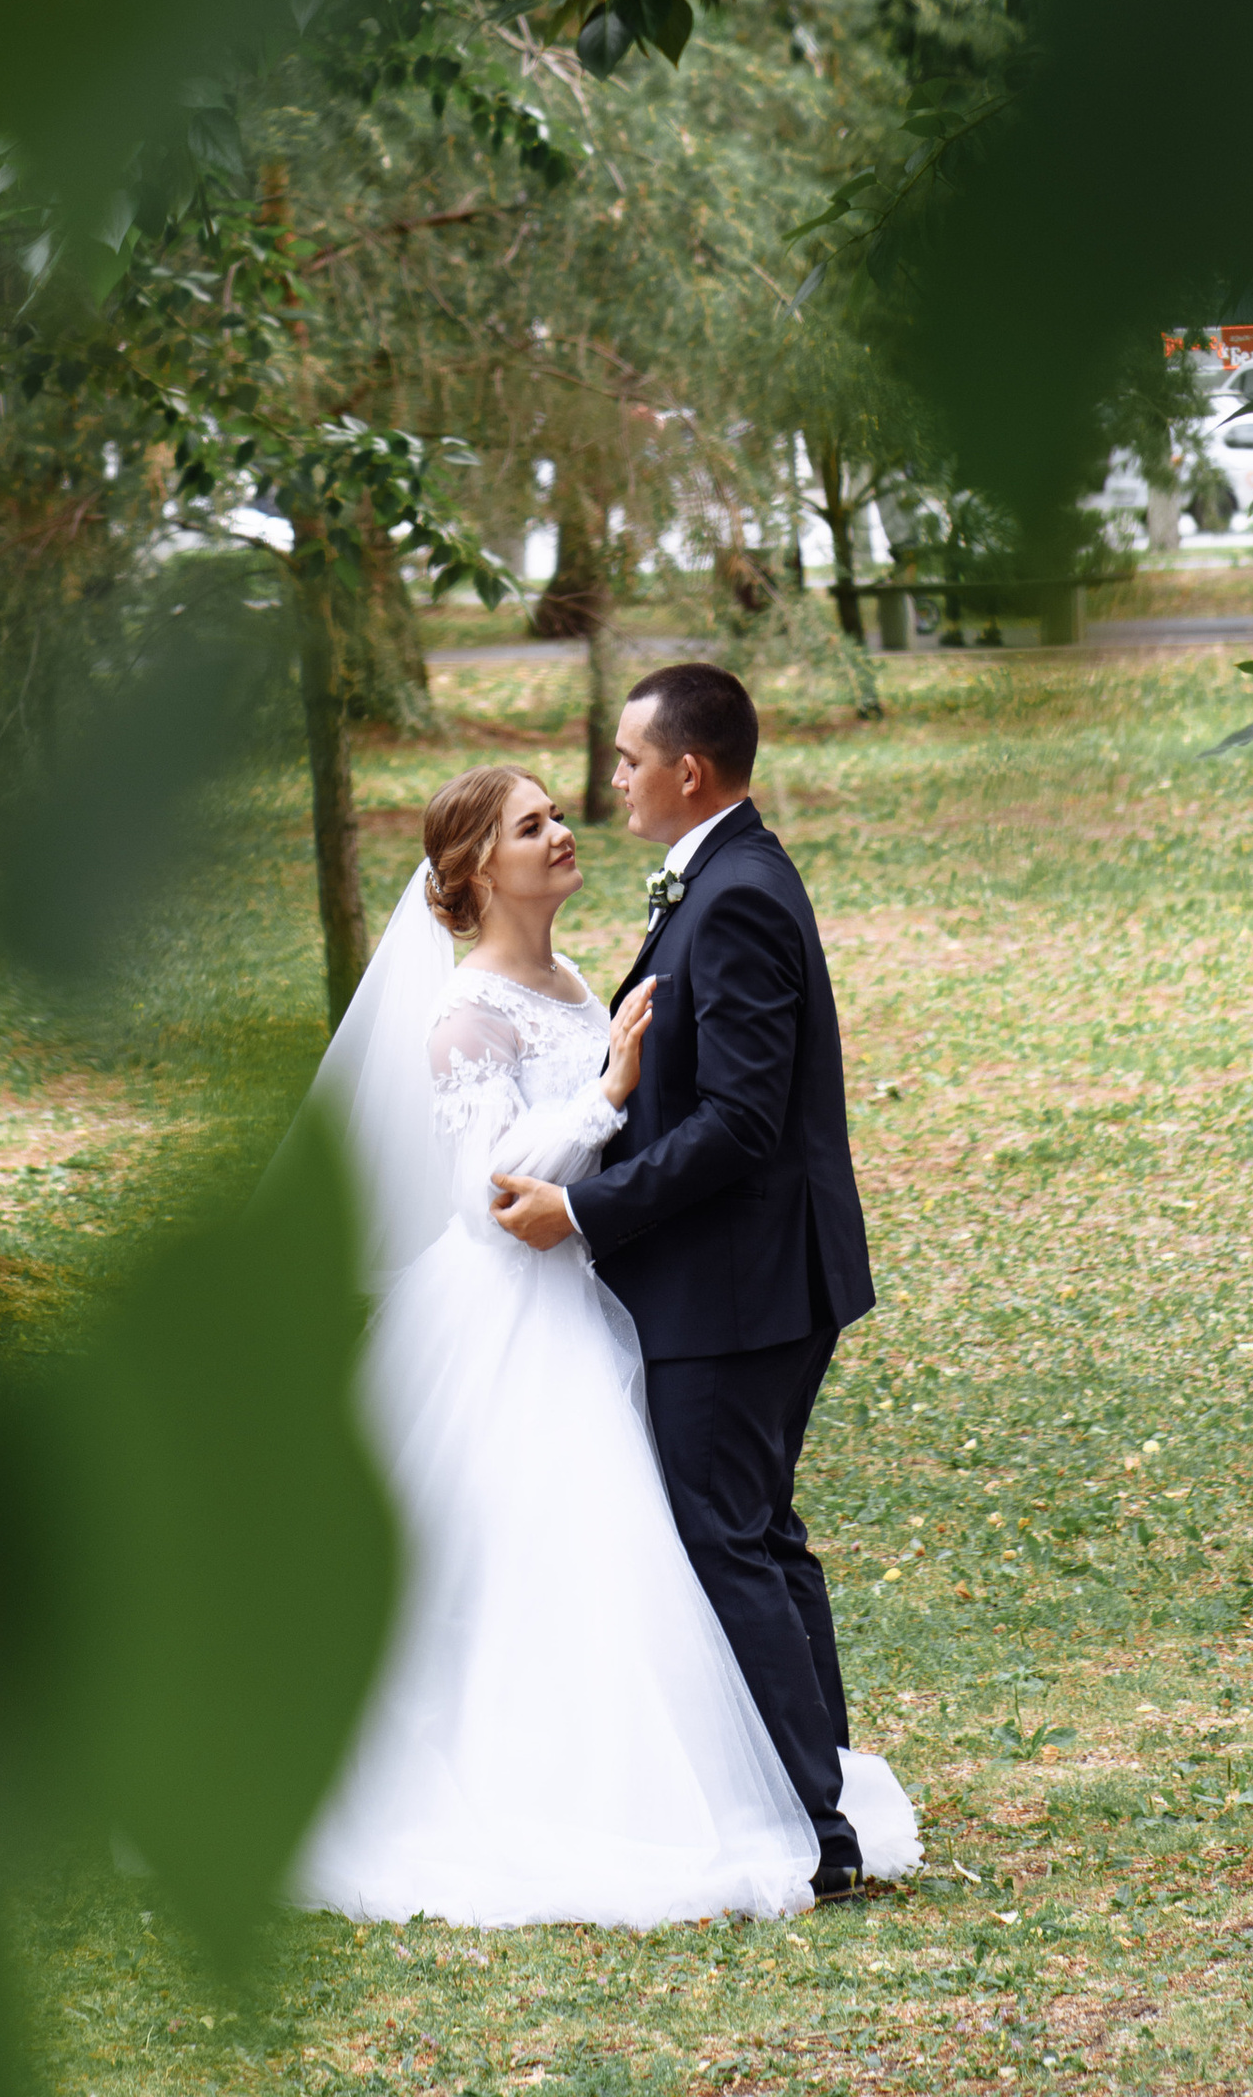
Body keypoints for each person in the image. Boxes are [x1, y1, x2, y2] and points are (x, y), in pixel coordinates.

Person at [292, 754, 916, 1927]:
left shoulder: (578, 977)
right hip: (520, 1320)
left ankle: (769, 1780)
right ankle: (578, 1795)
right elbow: (492, 1202)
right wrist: (604, 1093)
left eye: (557, 813)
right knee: (566, 1551)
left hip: (619, 1291)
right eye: (532, 827)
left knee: (681, 1540)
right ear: (478, 868)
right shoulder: (461, 1015)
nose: (562, 832)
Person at [490, 660, 876, 1896]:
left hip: (741, 1283)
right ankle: (825, 1793)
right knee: (761, 1533)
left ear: (687, 771)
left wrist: (583, 1209)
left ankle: (816, 1833)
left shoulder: (741, 894)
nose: (610, 782)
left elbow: (741, 1123)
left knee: (730, 1537)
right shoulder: (723, 878)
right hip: (750, 1277)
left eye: (622, 761)